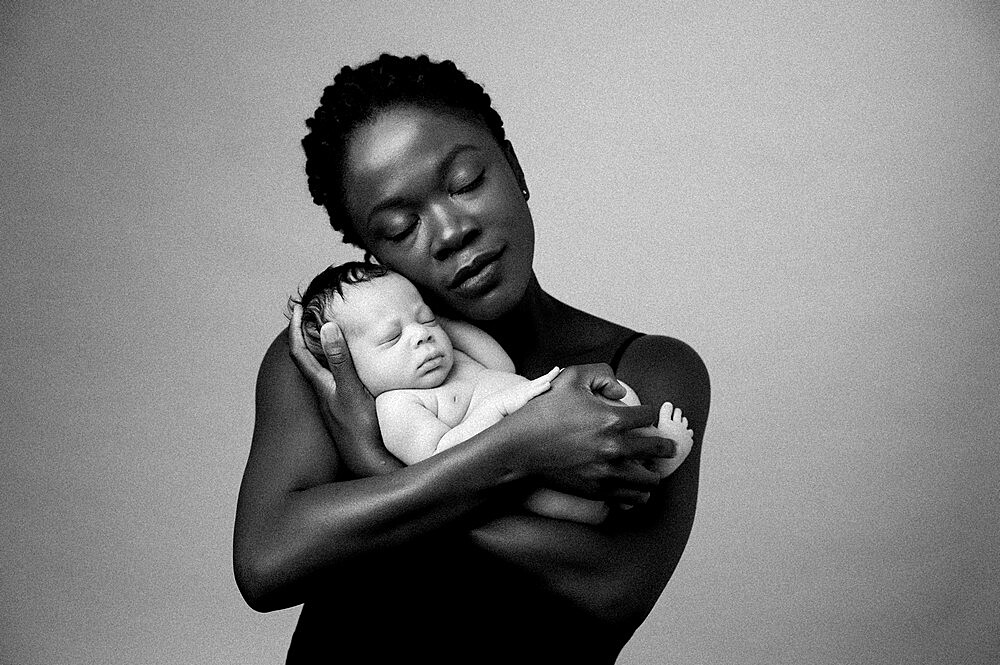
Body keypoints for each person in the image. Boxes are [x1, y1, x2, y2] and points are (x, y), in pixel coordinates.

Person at [234, 53, 711, 664]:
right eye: (401, 226)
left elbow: (611, 587)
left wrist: (380, 468)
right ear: (368, 253)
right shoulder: (335, 357)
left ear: (513, 168)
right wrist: (519, 448)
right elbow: (267, 561)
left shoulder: (649, 368)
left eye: (464, 183)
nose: (450, 230)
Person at [294, 261, 695, 525]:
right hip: (521, 476)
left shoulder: (455, 362)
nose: (422, 337)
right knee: (556, 502)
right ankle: (620, 500)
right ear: (346, 363)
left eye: (425, 318)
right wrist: (502, 412)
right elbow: (439, 457)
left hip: (554, 423)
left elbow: (501, 366)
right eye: (393, 337)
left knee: (617, 398)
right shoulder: (397, 405)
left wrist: (445, 324)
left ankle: (647, 452)